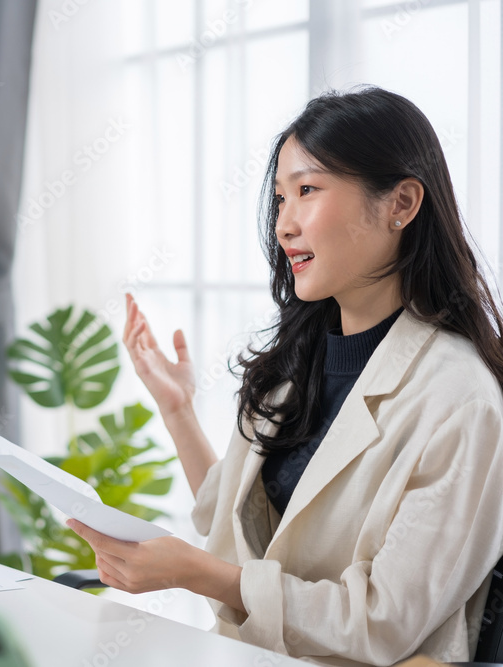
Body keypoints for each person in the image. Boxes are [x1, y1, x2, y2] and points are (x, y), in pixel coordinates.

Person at [67, 86, 503, 666]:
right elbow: (236, 512)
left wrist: (202, 575)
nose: (284, 225)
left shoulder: (461, 399)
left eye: (306, 190)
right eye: (279, 199)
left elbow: (383, 623)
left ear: (401, 203)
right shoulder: (300, 360)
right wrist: (177, 408)